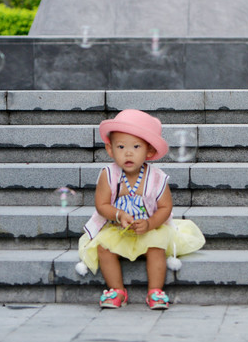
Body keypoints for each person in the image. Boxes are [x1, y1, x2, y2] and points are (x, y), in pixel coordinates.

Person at [77, 109, 205, 310]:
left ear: (149, 151)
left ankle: (155, 291)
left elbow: (165, 207)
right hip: (117, 228)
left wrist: (150, 223)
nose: (128, 152)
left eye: (136, 146)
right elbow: (101, 205)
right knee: (104, 249)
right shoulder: (108, 175)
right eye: (121, 146)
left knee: (156, 248)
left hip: (149, 227)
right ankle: (117, 290)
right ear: (110, 150)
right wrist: (118, 214)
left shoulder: (156, 178)